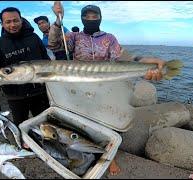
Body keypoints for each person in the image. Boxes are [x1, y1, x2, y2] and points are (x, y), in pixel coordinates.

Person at [49, 2, 166, 175]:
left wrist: (143, 61)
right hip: (79, 88)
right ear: (82, 19)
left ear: (100, 18)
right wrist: (58, 21)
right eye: (87, 17)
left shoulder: (109, 38)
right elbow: (54, 44)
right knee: (83, 123)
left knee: (110, 123)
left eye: (94, 16)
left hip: (106, 87)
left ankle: (111, 156)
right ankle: (87, 153)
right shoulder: (74, 37)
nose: (91, 19)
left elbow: (122, 57)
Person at [0, 7, 50, 126]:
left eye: (16, 20)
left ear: (21, 20)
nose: (13, 24)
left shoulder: (34, 38)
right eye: (8, 22)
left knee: (47, 125)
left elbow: (46, 61)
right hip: (15, 96)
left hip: (40, 92)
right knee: (21, 126)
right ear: (2, 24)